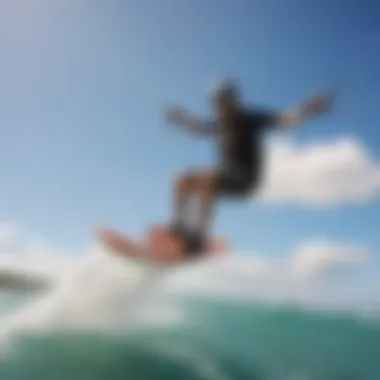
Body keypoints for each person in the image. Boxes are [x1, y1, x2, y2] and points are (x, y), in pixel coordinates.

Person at [165, 80, 333, 255]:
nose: (220, 109)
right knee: (183, 179)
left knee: (209, 180)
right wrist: (180, 118)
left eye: (223, 103)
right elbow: (197, 127)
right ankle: (179, 227)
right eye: (217, 105)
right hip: (226, 178)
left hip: (246, 181)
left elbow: (285, 119)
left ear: (232, 101)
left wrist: (309, 108)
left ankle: (198, 237)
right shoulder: (219, 124)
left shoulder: (249, 119)